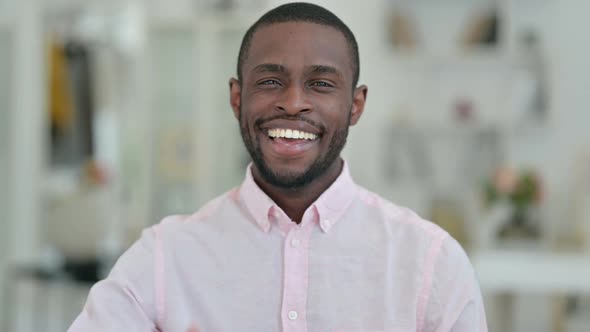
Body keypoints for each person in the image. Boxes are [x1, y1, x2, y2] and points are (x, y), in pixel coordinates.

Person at [69, 2, 488, 332]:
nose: (292, 102)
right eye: (270, 81)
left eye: (321, 84)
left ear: (355, 105)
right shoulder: (163, 257)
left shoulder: (432, 263)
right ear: (237, 98)